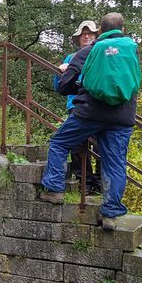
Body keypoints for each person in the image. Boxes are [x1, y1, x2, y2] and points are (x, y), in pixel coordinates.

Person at [40, 12, 139, 231]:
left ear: (100, 32)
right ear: (122, 29)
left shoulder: (87, 52)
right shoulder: (131, 49)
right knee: (115, 163)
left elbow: (64, 87)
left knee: (58, 143)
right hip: (122, 118)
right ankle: (110, 214)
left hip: (90, 113)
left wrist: (72, 80)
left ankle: (54, 190)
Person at [54, 20, 101, 193]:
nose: (86, 36)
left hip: (97, 105)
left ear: (96, 36)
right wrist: (61, 71)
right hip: (75, 105)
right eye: (83, 34)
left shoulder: (100, 54)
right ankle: (85, 183)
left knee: (100, 146)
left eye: (90, 33)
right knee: (77, 146)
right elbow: (58, 86)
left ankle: (100, 183)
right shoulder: (70, 58)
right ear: (79, 38)